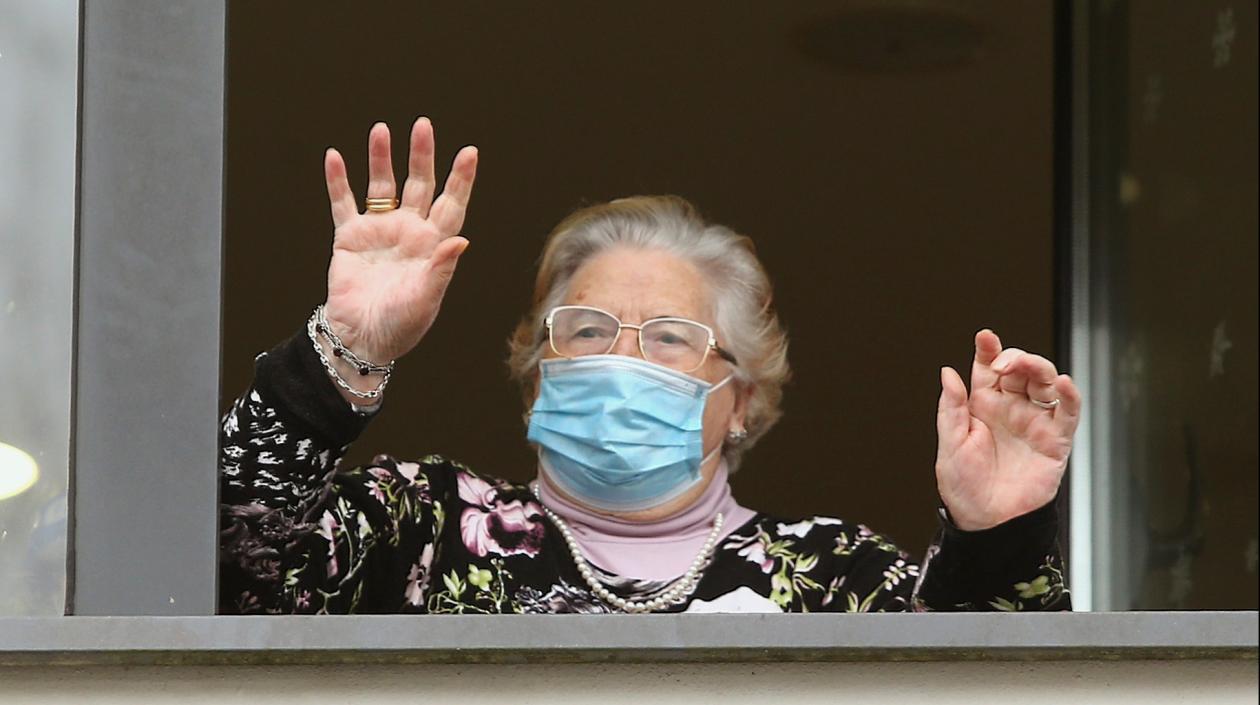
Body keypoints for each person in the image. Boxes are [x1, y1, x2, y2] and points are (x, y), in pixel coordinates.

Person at [219, 118, 1079, 614]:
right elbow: (219, 566)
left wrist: (997, 536)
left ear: (741, 398)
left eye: (670, 337)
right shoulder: (427, 527)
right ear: (537, 372)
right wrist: (348, 347)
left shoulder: (833, 576)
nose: (624, 357)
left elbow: (1002, 696)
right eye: (588, 329)